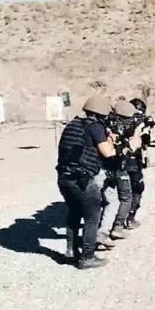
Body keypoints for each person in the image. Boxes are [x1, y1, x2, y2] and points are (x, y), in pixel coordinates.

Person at [56, 95, 117, 269]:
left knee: (74, 213)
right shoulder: (95, 126)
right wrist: (111, 140)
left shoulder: (73, 124)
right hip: (81, 179)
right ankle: (87, 257)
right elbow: (108, 153)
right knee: (93, 216)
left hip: (64, 177)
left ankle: (71, 251)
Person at [99, 100, 143, 246]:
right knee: (125, 197)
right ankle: (116, 227)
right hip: (117, 166)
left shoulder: (104, 123)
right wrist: (138, 130)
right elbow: (134, 146)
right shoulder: (122, 125)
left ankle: (101, 232)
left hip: (102, 167)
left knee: (105, 201)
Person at [125, 98, 152, 229]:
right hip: (132, 160)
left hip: (121, 159)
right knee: (137, 188)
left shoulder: (120, 120)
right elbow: (145, 142)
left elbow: (146, 141)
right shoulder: (134, 123)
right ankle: (129, 218)